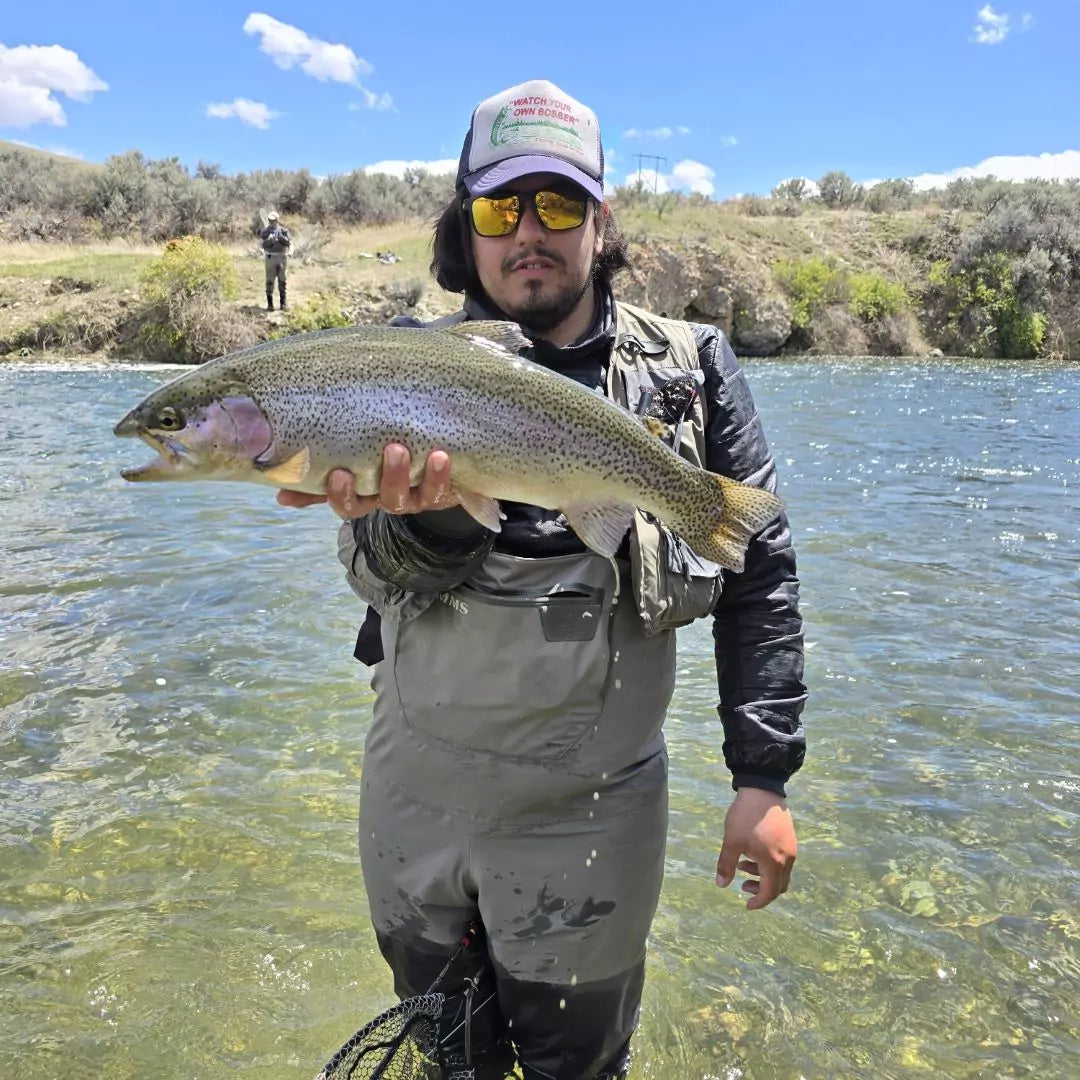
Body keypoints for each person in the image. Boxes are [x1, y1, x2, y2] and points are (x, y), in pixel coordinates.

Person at [280, 79, 806, 1080]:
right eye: (500, 208)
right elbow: (371, 575)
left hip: (596, 813)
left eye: (559, 205)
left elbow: (761, 578)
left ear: (600, 223)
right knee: (451, 1061)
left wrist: (762, 777)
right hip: (416, 799)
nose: (531, 232)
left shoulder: (691, 373)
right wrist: (429, 516)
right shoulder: (392, 367)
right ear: (463, 227)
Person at [259, 210, 291, 310]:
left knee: (282, 281)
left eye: (274, 220)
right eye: (270, 220)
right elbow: (261, 245)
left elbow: (289, 243)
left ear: (277, 220)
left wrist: (282, 238)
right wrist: (268, 241)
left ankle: (283, 303)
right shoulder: (265, 232)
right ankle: (270, 304)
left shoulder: (283, 231)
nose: (272, 222)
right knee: (270, 281)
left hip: (282, 257)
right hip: (270, 257)